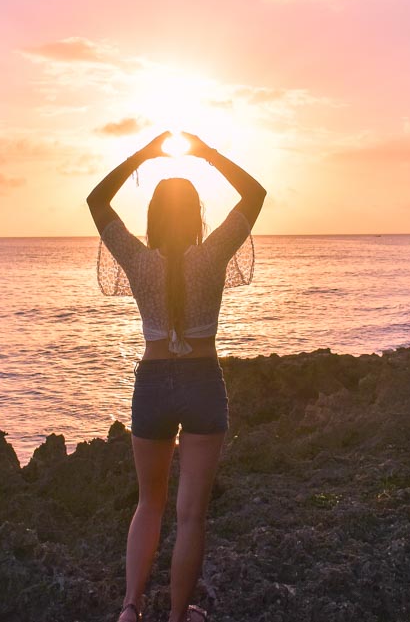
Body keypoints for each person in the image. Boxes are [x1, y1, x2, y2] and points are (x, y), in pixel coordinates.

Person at [87, 131, 266, 622]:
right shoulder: (211, 256)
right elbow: (255, 195)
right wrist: (207, 155)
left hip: (152, 384)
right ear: (196, 217)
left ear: (152, 218)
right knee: (190, 515)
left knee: (149, 504)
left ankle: (130, 607)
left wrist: (143, 156)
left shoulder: (139, 260)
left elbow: (96, 200)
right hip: (202, 382)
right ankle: (177, 617)